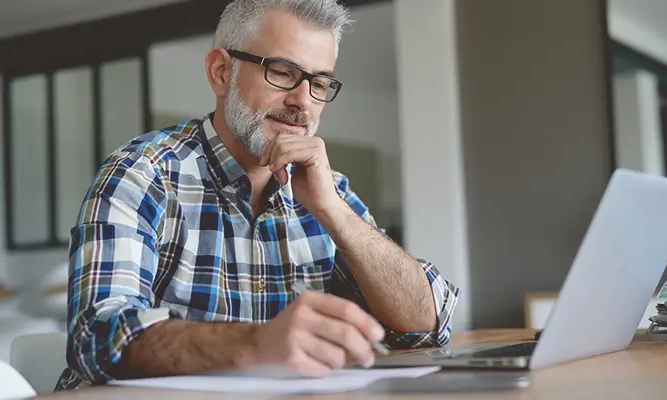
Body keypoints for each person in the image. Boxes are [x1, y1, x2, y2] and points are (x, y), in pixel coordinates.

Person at [55, 0, 460, 391]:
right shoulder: (142, 173)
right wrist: (255, 345)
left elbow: (427, 326)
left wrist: (334, 212)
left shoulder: (327, 189)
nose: (302, 101)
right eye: (283, 72)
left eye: (319, 83)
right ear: (220, 72)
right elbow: (96, 335)